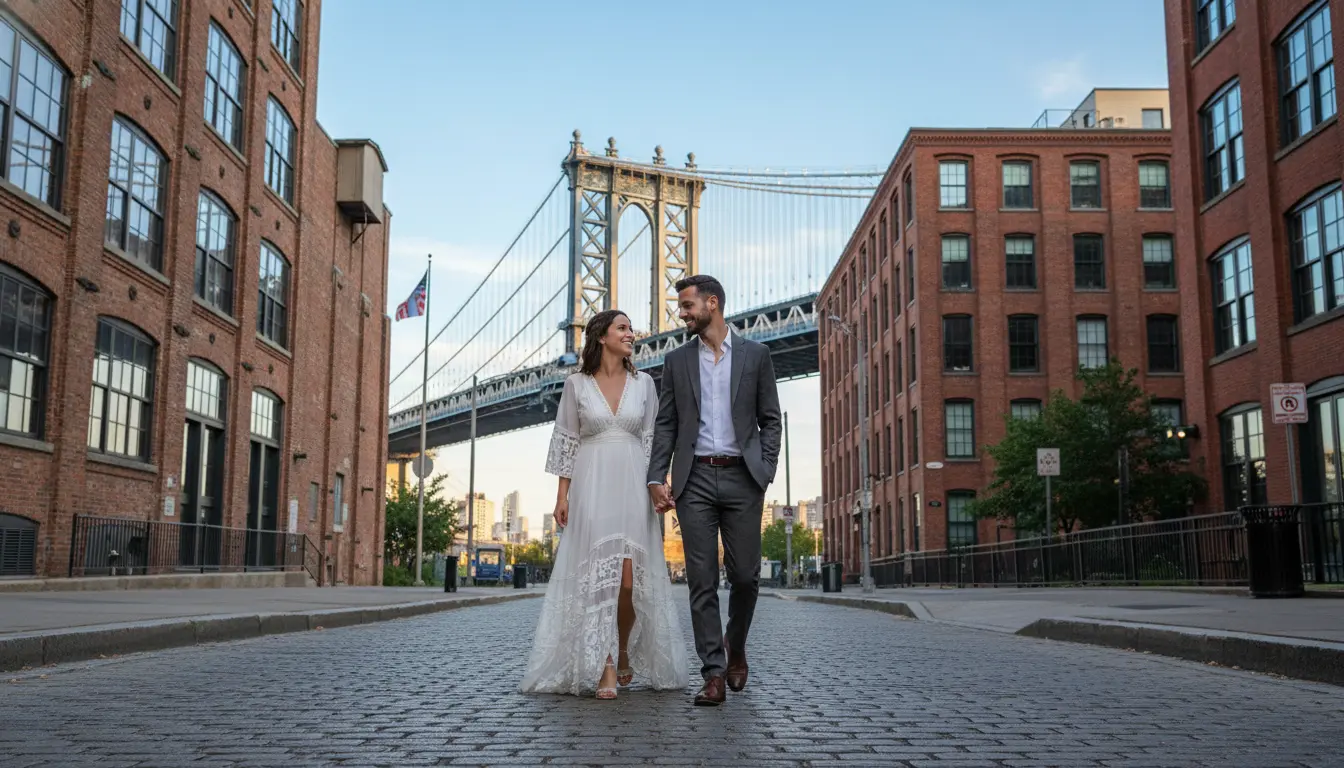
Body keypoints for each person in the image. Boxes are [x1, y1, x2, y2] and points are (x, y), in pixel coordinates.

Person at [519, 309, 689, 699]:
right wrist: (561, 496)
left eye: (631, 329)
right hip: (591, 486)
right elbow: (567, 442)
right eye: (623, 328)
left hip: (632, 484)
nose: (632, 334)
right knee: (598, 580)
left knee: (629, 581)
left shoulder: (645, 383)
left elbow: (653, 440)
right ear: (601, 337)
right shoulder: (575, 385)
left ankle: (624, 647)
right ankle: (606, 664)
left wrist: (658, 485)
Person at [647, 275, 782, 707]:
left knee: (745, 576)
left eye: (687, 306)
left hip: (744, 477)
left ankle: (735, 643)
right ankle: (713, 673)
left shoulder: (757, 355)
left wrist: (765, 468)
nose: (681, 314)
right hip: (696, 479)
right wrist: (655, 477)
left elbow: (771, 419)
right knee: (700, 581)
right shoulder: (676, 361)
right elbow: (666, 422)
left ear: (712, 303)